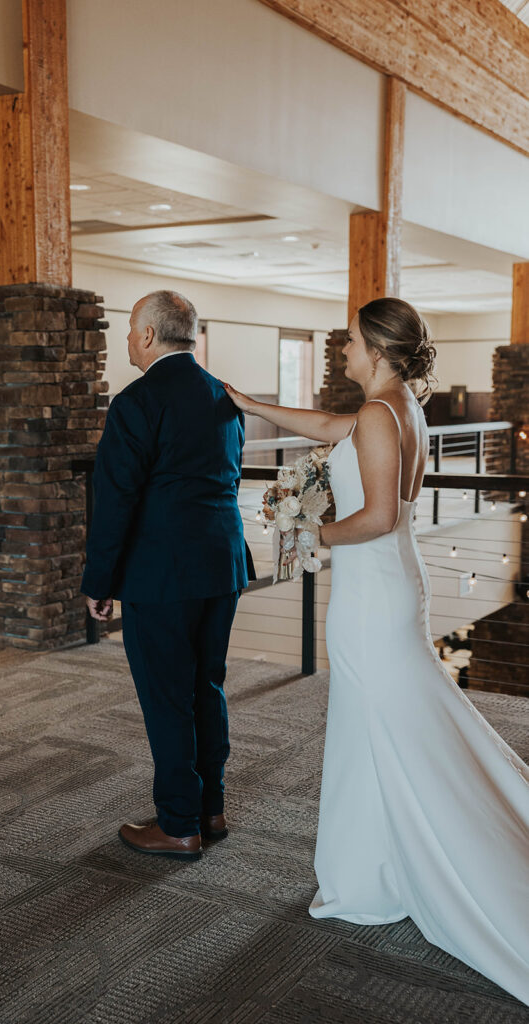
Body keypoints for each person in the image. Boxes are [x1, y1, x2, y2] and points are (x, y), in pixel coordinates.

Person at [224, 297, 529, 1005]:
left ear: (380, 349)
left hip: (373, 597)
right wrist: (248, 401)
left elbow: (381, 514)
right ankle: (367, 871)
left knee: (394, 729)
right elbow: (332, 428)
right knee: (371, 731)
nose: (342, 352)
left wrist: (306, 531)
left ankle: (430, 866)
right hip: (384, 589)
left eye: (352, 343)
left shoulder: (379, 412)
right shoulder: (395, 407)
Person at [82, 290, 254, 861]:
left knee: (167, 697)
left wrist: (99, 582)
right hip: (221, 564)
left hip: (161, 574)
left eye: (131, 329)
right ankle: (212, 808)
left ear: (150, 335)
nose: (128, 339)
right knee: (206, 684)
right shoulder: (224, 397)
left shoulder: (136, 402)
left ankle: (179, 823)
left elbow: (115, 503)